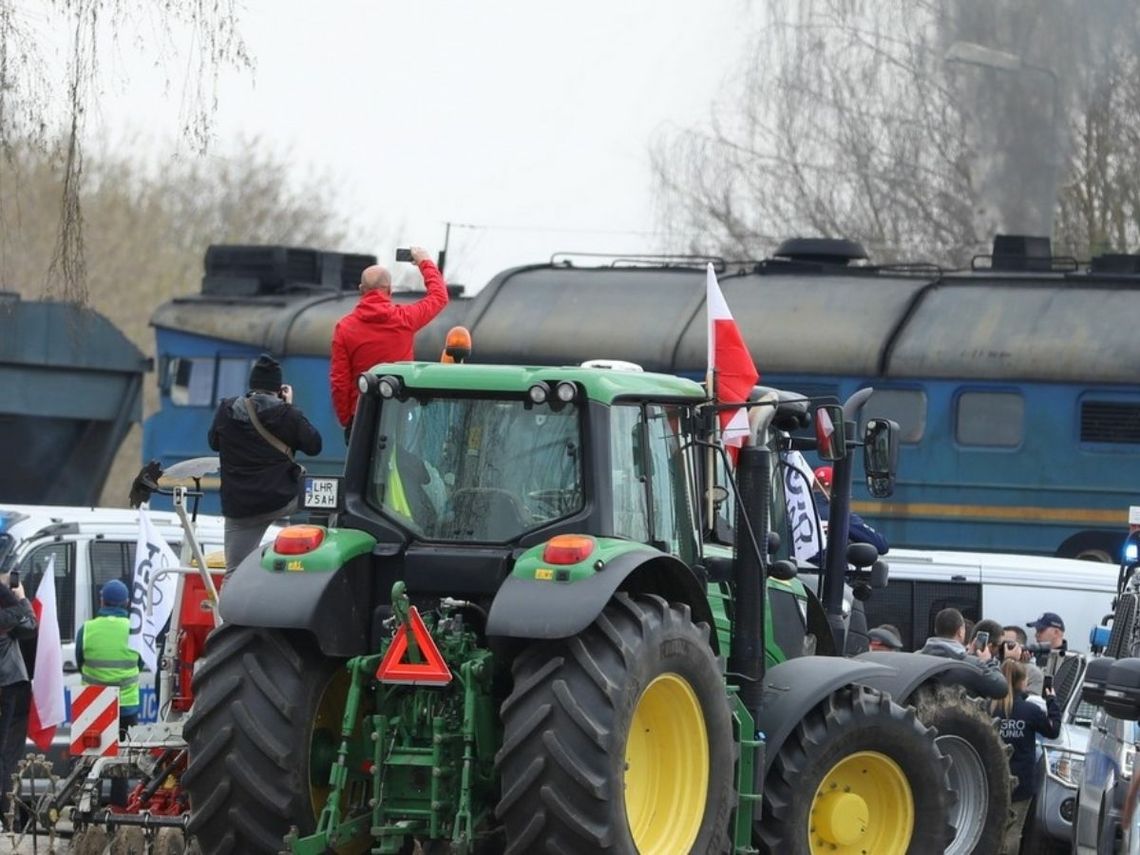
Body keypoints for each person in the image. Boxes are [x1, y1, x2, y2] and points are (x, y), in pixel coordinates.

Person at [209, 353, 323, 574]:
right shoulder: (286, 414)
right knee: (326, 497)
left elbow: (214, 443)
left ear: (251, 386)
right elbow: (314, 445)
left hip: (241, 508)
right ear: (278, 388)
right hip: (281, 500)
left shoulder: (226, 411)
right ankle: (316, 555)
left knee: (234, 572)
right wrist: (289, 407)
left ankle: (228, 609)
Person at [329, 247, 450, 442]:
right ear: (390, 291)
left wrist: (348, 420)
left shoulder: (344, 328)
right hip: (398, 416)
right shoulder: (405, 319)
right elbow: (439, 297)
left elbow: (339, 381)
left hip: (361, 415)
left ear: (361, 290)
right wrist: (424, 262)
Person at [76, 579, 143, 807]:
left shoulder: (87, 629)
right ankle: (116, 813)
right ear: (126, 602)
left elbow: (79, 661)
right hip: (126, 705)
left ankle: (86, 810)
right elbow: (140, 663)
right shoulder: (134, 630)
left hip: (93, 705)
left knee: (90, 760)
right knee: (121, 763)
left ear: (102, 599)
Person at [992, 658, 1061, 854]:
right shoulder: (1030, 711)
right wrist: (1052, 702)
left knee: (990, 830)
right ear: (1023, 682)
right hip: (1021, 781)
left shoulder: (988, 707)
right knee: (1013, 832)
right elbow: (1053, 731)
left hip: (992, 778)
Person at [0, 571, 36, 822]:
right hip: (8, 685)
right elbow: (29, 624)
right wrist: (21, 597)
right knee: (5, 753)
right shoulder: (6, 618)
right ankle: (4, 813)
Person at [919, 607, 1008, 696]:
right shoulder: (973, 665)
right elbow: (1001, 688)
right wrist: (987, 661)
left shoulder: (916, 658)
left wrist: (969, 655)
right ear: (960, 632)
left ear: (936, 629)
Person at [812, 465, 889, 554]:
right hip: (832, 567)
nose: (849, 496)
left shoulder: (797, 513)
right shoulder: (841, 516)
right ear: (837, 489)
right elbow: (881, 545)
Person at [1001, 624, 1047, 697]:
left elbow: (1028, 704)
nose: (1004, 649)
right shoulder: (993, 665)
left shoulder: (1032, 673)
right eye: (1001, 645)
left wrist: (1011, 663)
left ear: (1022, 648)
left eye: (1009, 645)